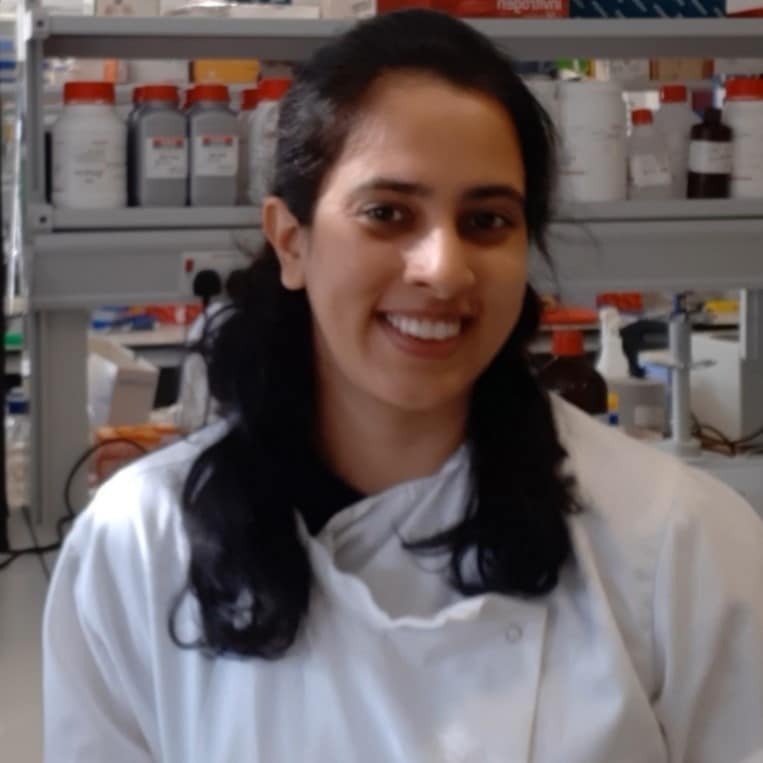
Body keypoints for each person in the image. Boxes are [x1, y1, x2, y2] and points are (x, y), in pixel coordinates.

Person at [43, 10, 763, 762]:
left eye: (486, 220)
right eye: (386, 214)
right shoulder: (138, 549)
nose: (443, 269)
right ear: (292, 241)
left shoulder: (678, 547)